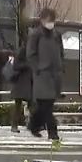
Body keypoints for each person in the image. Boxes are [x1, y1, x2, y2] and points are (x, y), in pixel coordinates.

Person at [26, 8, 64, 140]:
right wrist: (37, 69)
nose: (51, 23)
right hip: (42, 74)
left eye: (52, 20)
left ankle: (33, 125)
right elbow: (30, 54)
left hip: (54, 75)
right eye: (48, 20)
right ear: (42, 20)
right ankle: (53, 132)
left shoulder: (56, 35)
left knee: (46, 106)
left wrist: (60, 68)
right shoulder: (36, 35)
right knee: (46, 105)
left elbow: (61, 53)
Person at [6, 41, 33, 134]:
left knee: (32, 104)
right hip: (21, 83)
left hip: (28, 83)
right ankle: (14, 126)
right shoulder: (22, 51)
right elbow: (16, 66)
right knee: (19, 105)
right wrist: (28, 65)